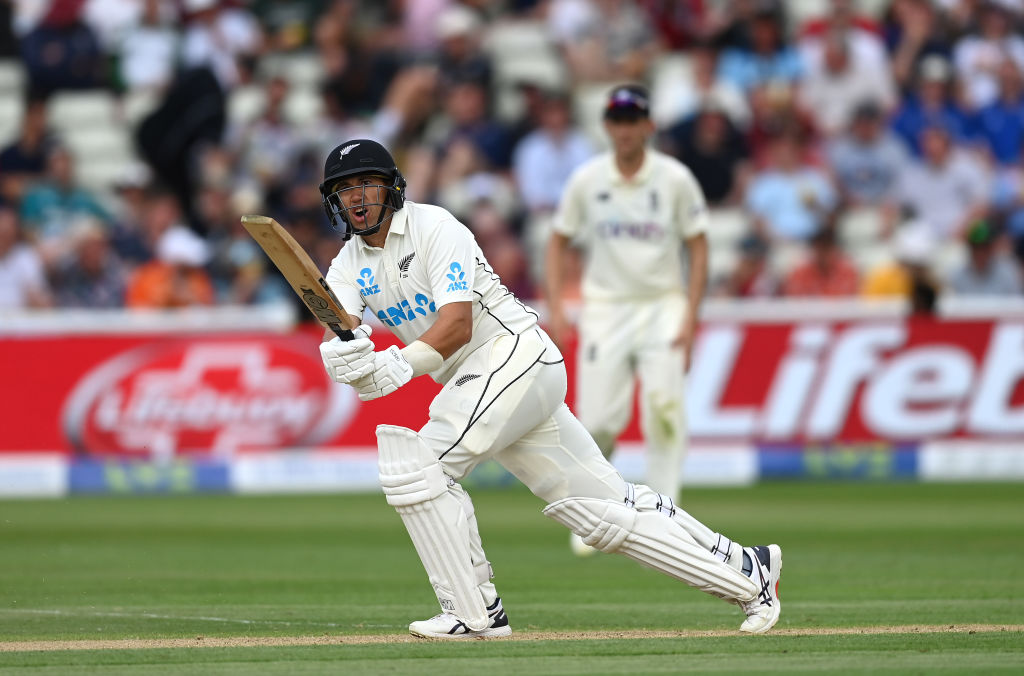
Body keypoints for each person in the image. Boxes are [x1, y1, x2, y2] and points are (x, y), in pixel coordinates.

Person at [316, 138, 782, 639]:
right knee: (602, 511)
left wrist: (398, 365)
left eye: (366, 183)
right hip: (487, 386)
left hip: (513, 355)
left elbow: (458, 326)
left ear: (391, 187)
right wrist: (342, 358)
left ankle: (474, 612)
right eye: (344, 190)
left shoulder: (436, 228)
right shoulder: (347, 265)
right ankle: (746, 571)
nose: (357, 197)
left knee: (419, 466)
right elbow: (341, 330)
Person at [545, 85, 708, 543]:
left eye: (633, 119)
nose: (624, 129)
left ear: (648, 126)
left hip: (663, 307)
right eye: (616, 120)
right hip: (606, 309)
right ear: (607, 127)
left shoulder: (674, 179)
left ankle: (668, 524)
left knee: (665, 414)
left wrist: (691, 317)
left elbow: (698, 246)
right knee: (596, 422)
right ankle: (592, 514)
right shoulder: (588, 180)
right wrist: (556, 306)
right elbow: (558, 240)